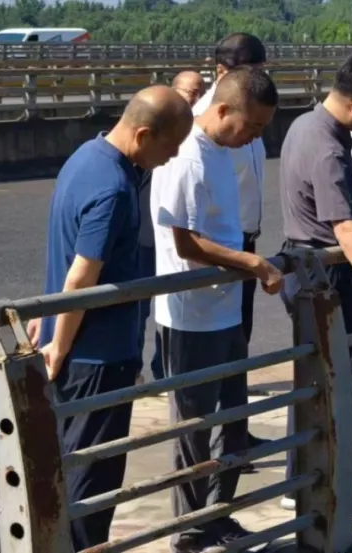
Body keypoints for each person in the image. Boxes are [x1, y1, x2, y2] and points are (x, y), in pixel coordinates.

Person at [28, 85, 193, 549]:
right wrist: (60, 344)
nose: (173, 157)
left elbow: (64, 246)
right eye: (170, 146)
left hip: (73, 342)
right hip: (96, 358)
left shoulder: (85, 157)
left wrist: (48, 314)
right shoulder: (115, 189)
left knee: (68, 471)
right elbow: (82, 274)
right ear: (143, 135)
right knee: (90, 484)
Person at [150, 66, 285, 552]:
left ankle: (218, 515)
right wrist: (253, 263)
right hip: (191, 314)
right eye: (252, 125)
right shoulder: (187, 156)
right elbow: (186, 243)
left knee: (232, 421)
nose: (255, 136)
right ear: (223, 109)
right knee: (194, 429)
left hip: (225, 309)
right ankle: (190, 531)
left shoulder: (221, 149)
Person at [277, 51, 352, 523]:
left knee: (313, 382)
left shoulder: (304, 124)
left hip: (303, 264)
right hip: (324, 272)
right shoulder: (328, 147)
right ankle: (322, 488)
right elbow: (344, 227)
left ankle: (303, 483)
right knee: (331, 385)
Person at [190, 34, 270, 454]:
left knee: (239, 342)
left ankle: (235, 433)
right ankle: (217, 441)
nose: (258, 81)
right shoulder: (205, 124)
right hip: (219, 249)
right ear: (221, 72)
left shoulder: (249, 114)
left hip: (244, 243)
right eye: (249, 72)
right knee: (215, 348)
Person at [137, 69, 207, 383]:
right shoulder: (156, 137)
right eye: (191, 91)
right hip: (145, 236)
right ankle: (138, 368)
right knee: (140, 307)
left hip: (168, 236)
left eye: (201, 91)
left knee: (169, 303)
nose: (196, 98)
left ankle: (161, 367)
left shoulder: (191, 140)